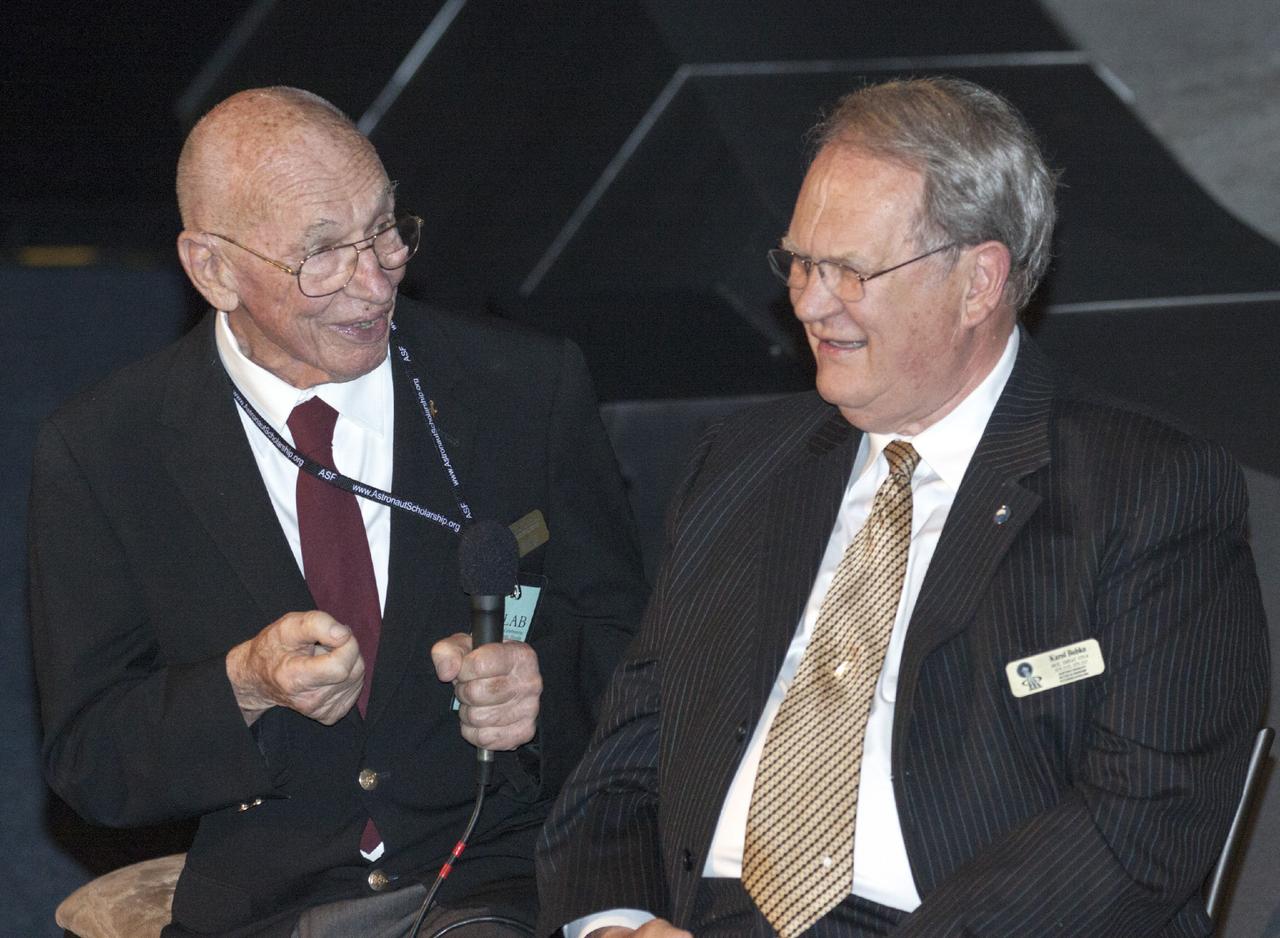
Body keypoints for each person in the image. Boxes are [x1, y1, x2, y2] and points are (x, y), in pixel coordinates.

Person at [535, 77, 1269, 938]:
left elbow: (1143, 823)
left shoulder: (1147, 495)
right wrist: (613, 921)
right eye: (801, 262)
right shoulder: (740, 466)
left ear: (978, 282)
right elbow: (627, 758)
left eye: (851, 270)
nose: (807, 302)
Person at [29, 86, 648, 937]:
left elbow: (636, 654)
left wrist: (539, 687)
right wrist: (240, 688)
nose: (374, 280)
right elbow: (91, 760)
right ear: (212, 268)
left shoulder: (523, 391)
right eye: (321, 254)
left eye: (386, 230)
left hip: (489, 882)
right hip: (267, 903)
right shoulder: (106, 450)